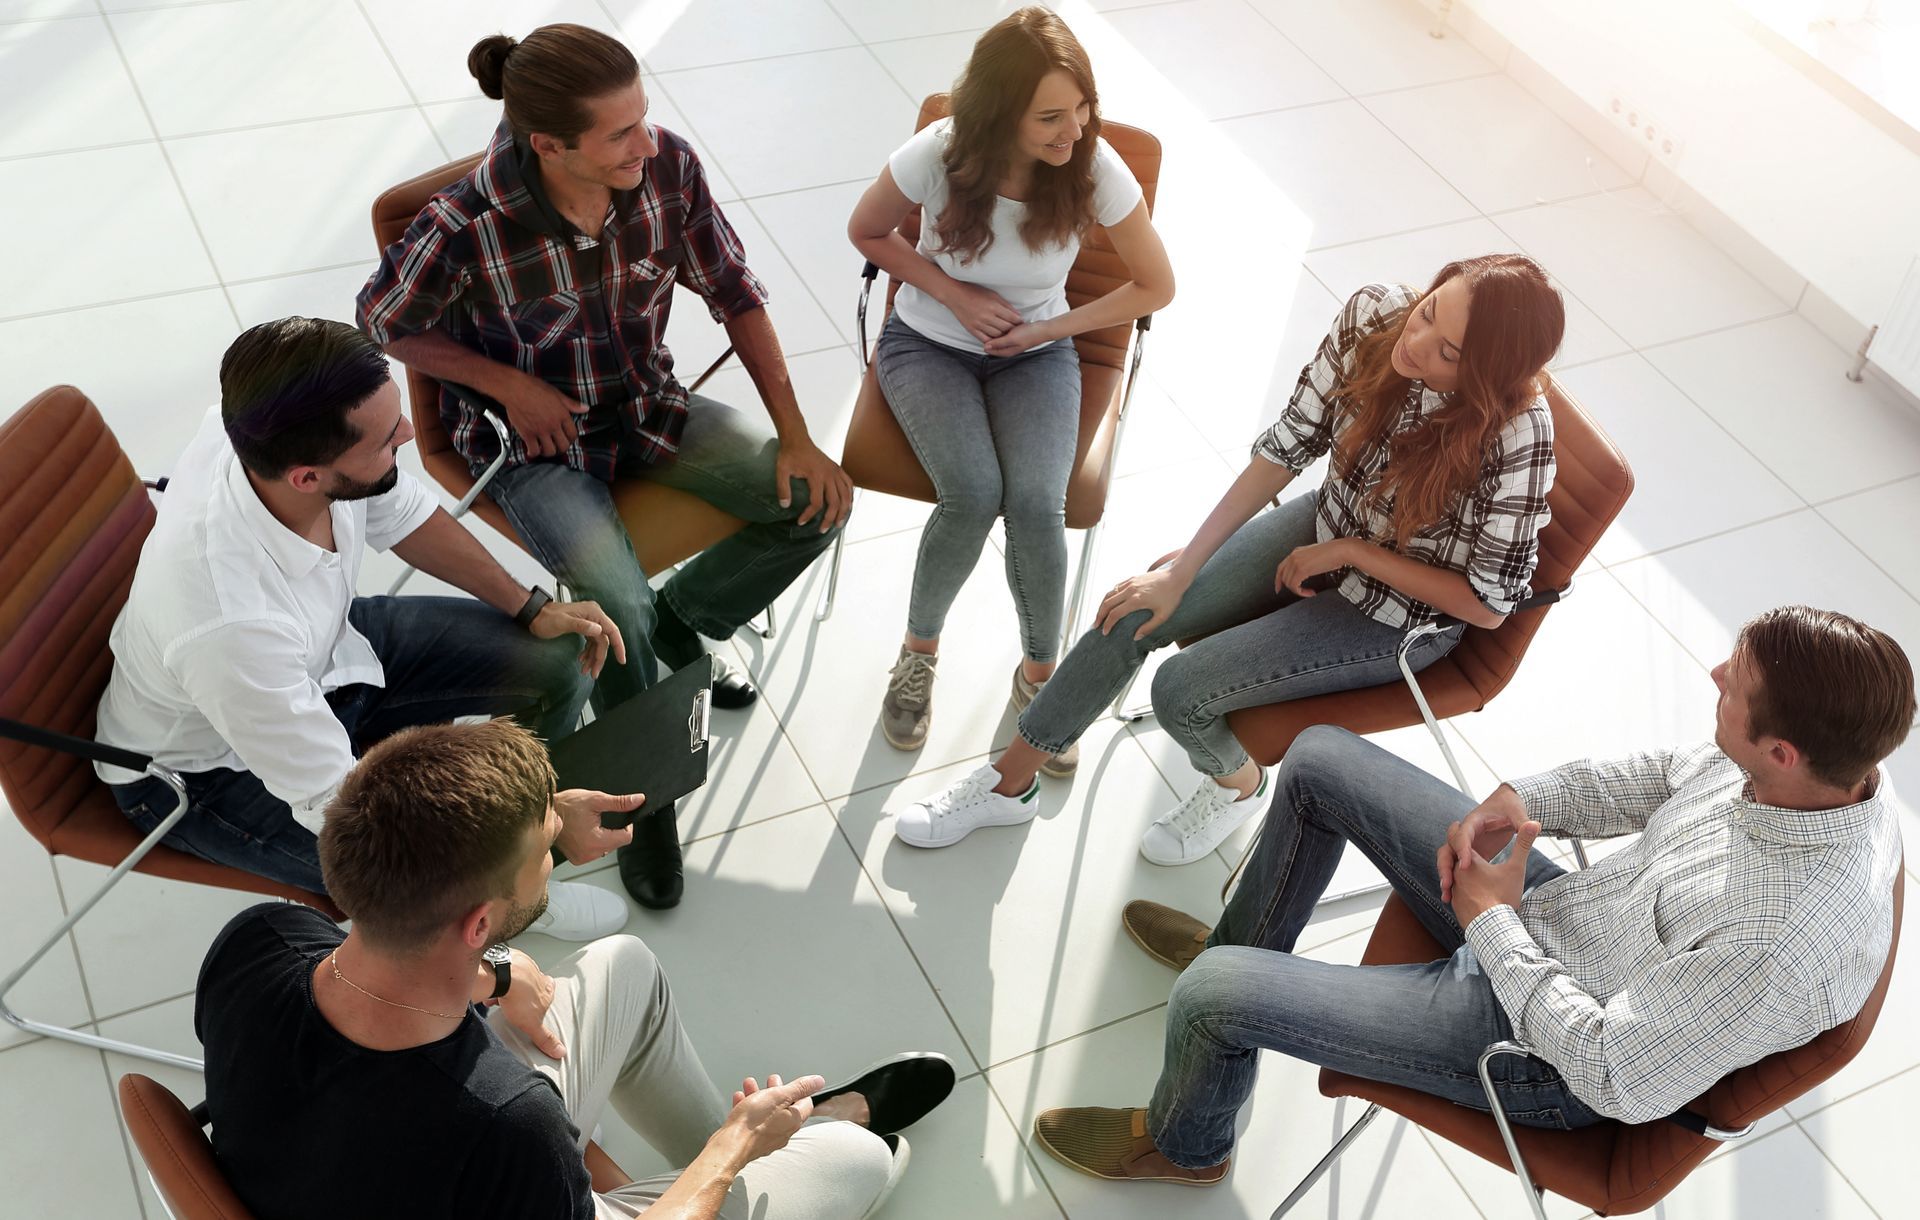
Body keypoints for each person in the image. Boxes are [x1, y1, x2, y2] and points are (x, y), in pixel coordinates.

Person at [1027, 605, 1910, 1187]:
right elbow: (1664, 779)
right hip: (1561, 923)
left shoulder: (1779, 945)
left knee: (1210, 996)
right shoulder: (1834, 777)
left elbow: (1613, 1073)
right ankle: (1249, 940)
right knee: (1321, 756)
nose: (1715, 673)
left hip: (1539, 1051)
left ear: (1785, 752)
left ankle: (1188, 1145)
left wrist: (1490, 924)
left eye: (1735, 681)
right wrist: (1520, 800)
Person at [357, 23, 851, 910]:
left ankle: (682, 620)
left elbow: (736, 293)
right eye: (621, 133)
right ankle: (643, 796)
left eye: (645, 119)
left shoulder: (667, 170)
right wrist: (505, 383)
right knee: (610, 607)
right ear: (549, 144)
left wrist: (799, 434)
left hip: (650, 407)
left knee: (815, 501)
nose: (647, 143)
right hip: (535, 451)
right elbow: (384, 323)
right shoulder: (465, 221)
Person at [888, 256, 1561, 862]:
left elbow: (1488, 605)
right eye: (1428, 312)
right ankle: (1010, 783)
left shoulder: (1520, 434)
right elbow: (1285, 449)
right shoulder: (1375, 313)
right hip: (1326, 528)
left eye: (1446, 352)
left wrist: (1352, 552)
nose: (1414, 344)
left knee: (1181, 693)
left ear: (1485, 379)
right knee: (1136, 608)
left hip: (1397, 616)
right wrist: (1180, 574)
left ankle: (1240, 787)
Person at [196, 718, 955, 1219]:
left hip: (351, 1175)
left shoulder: (260, 938)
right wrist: (730, 1153)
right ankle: (776, 1145)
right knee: (861, 1159)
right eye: (543, 860)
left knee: (626, 967)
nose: (553, 867)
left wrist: (495, 971)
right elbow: (496, 1137)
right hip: (486, 1183)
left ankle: (744, 1152)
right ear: (478, 922)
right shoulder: (507, 1125)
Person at [96, 317, 630, 941]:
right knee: (415, 888)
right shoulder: (230, 624)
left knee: (559, 663)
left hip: (322, 654)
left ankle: (520, 859)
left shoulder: (261, 425)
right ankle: (507, 900)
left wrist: (530, 606)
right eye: (385, 440)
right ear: (307, 478)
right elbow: (341, 805)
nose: (408, 433)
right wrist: (533, 825)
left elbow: (403, 512)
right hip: (205, 773)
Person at [847, 6, 1173, 764]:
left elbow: (1157, 285)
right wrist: (957, 295)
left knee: (1035, 502)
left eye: (1083, 106)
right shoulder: (941, 150)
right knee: (972, 490)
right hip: (927, 343)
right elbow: (866, 230)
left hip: (1037, 351)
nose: (1076, 128)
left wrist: (1042, 331)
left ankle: (1041, 679)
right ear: (998, 114)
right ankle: (918, 656)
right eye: (1051, 116)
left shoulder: (1091, 166)